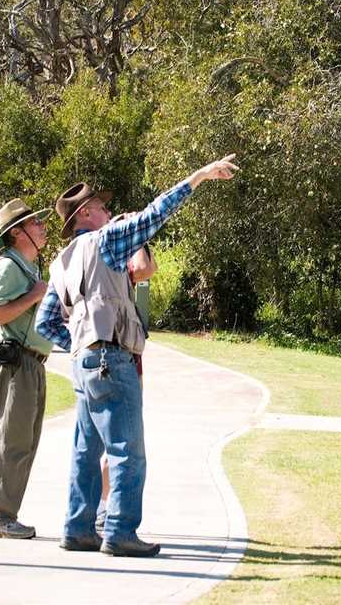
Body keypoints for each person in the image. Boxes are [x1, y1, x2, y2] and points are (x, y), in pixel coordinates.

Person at [36, 154, 238, 557]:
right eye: (104, 206)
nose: (110, 211)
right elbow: (154, 214)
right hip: (113, 359)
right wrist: (199, 176)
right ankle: (121, 532)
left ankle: (78, 528)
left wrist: (80, 344)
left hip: (84, 364)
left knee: (85, 450)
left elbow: (46, 323)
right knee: (128, 450)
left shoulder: (61, 261)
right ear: (88, 212)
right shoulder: (106, 240)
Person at [0, 198, 52, 539]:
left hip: (32, 364)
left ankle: (6, 514)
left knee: (25, 442)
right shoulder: (8, 266)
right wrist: (35, 296)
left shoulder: (29, 267)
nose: (42, 227)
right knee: (13, 441)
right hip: (16, 364)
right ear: (19, 233)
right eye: (35, 224)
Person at [96, 241, 156, 531]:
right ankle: (105, 509)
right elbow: (143, 269)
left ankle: (102, 508)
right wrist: (137, 235)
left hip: (127, 356)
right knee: (119, 439)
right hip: (115, 357)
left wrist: (139, 239)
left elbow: (148, 269)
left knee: (115, 438)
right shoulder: (109, 261)